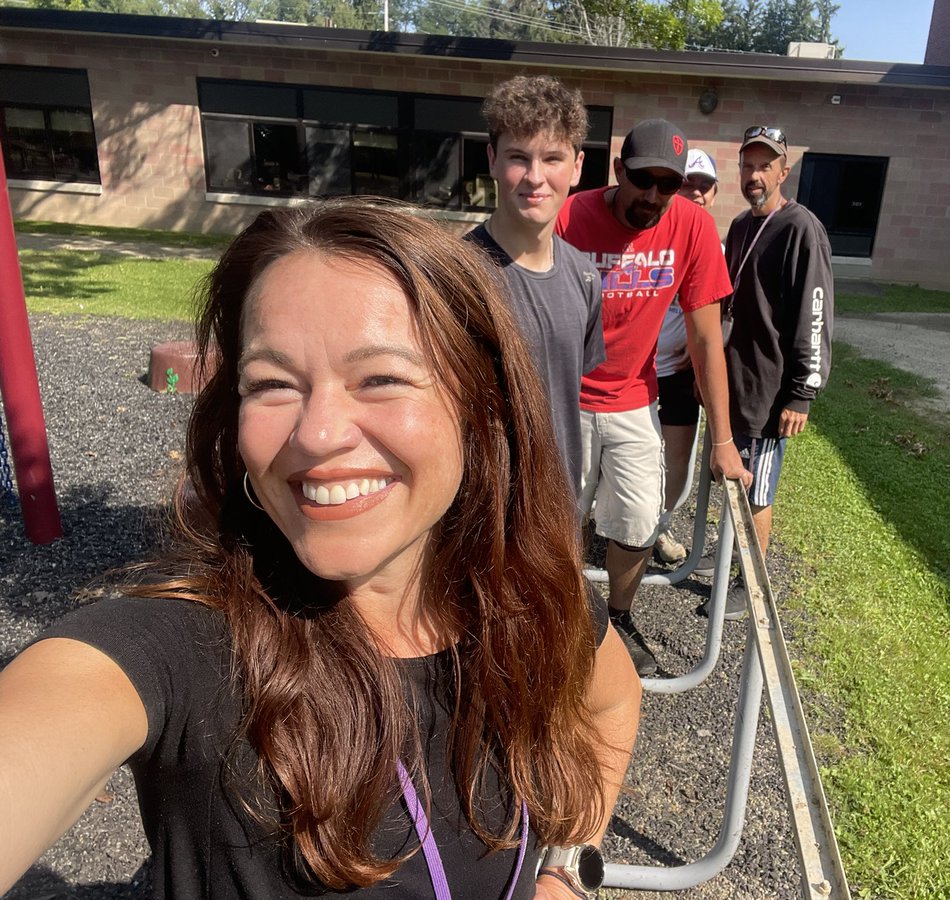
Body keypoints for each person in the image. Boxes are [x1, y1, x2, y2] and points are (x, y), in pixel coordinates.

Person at [0, 199, 642, 900]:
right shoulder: (183, 647)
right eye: (274, 384)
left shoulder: (529, 602)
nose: (318, 435)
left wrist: (567, 867)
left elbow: (613, 702)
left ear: (481, 407)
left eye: (381, 379)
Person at [556, 120, 750, 676]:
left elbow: (708, 338)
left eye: (668, 184)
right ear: (620, 171)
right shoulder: (571, 216)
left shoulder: (690, 226)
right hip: (566, 398)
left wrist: (726, 441)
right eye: (645, 181)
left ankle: (616, 617)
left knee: (640, 522)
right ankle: (563, 615)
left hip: (634, 399)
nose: (654, 196)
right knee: (560, 521)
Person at [710, 125, 833, 620]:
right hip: (733, 379)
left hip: (768, 387)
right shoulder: (740, 225)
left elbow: (815, 310)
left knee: (757, 492)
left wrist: (802, 393)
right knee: (732, 479)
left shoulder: (802, 227)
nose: (755, 175)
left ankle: (751, 581)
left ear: (784, 171)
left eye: (765, 166)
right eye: (747, 165)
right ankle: (727, 559)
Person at [466, 75, 605, 492]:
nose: (535, 177)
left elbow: (567, 392)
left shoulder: (585, 277)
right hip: (481, 510)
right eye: (518, 157)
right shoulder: (456, 275)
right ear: (492, 160)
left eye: (552, 158)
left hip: (559, 503)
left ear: (577, 167)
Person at [653, 148, 721, 566]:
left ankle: (658, 528)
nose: (696, 192)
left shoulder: (713, 243)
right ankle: (600, 525)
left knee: (676, 463)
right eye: (688, 183)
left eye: (704, 185)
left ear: (713, 194)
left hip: (678, 372)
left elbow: (718, 322)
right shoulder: (649, 231)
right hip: (629, 374)